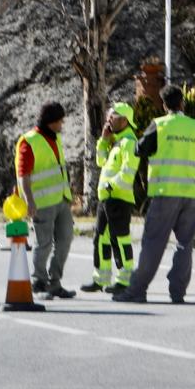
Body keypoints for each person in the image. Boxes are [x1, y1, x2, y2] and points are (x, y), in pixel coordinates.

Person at [114, 84, 195, 304]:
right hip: (192, 194)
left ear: (164, 105)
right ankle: (178, 293)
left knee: (154, 243)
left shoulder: (160, 125)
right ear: (182, 103)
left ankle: (137, 290)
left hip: (165, 193)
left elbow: (140, 149)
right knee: (185, 244)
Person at [15, 101, 75, 299]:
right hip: (41, 203)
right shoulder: (29, 141)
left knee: (65, 240)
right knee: (44, 243)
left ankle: (55, 281)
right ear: (51, 122)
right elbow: (23, 174)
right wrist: (29, 200)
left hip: (61, 200)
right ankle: (39, 281)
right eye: (60, 121)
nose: (62, 125)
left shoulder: (54, 138)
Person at [80, 102, 139, 294]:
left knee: (119, 239)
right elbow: (100, 161)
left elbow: (128, 172)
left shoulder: (129, 142)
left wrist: (109, 185)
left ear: (124, 119)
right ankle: (101, 278)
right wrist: (104, 141)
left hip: (119, 199)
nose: (108, 120)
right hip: (107, 198)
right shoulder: (117, 141)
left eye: (112, 117)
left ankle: (125, 278)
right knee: (101, 239)